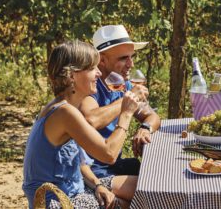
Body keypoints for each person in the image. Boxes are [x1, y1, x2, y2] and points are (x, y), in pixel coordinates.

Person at [23, 40, 138, 209]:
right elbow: (109, 154)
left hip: (75, 189)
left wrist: (98, 185)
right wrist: (126, 113)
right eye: (92, 68)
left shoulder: (65, 107)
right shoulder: (65, 113)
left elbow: (79, 162)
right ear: (72, 76)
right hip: (58, 201)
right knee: (135, 201)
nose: (99, 73)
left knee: (142, 187)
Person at [80, 25, 161, 179]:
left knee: (157, 172)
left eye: (132, 57)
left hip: (115, 165)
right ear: (102, 60)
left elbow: (153, 117)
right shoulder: (90, 87)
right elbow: (91, 120)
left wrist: (145, 128)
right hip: (93, 172)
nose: (131, 64)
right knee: (150, 185)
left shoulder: (123, 85)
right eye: (124, 58)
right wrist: (127, 100)